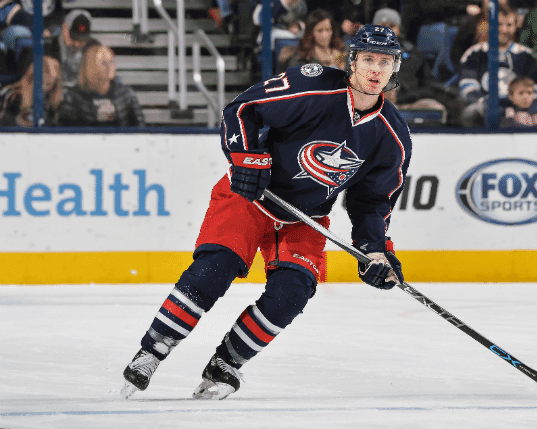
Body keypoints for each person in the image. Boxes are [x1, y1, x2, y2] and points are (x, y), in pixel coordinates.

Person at [120, 24, 412, 401]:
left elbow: (371, 201)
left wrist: (375, 250)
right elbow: (242, 110)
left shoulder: (393, 136)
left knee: (292, 292)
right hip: (251, 197)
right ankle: (152, 351)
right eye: (368, 59)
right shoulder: (313, 86)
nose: (375, 69)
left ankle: (225, 363)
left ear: (394, 68)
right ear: (352, 61)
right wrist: (247, 158)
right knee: (214, 269)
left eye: (385, 62)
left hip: (304, 218)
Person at [459, 6, 537, 127]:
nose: (504, 29)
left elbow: (536, 88)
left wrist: (518, 107)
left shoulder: (526, 55)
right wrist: (489, 103)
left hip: (519, 107)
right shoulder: (475, 52)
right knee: (471, 113)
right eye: (499, 24)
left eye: (509, 25)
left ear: (516, 26)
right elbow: (467, 86)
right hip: (486, 106)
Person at [57, 44, 145, 127]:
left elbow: (140, 128)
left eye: (111, 61)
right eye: (103, 63)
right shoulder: (73, 97)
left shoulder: (126, 94)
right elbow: (64, 131)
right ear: (90, 67)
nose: (109, 66)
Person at [0, 55, 62, 126]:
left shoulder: (56, 102)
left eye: (53, 73)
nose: (49, 77)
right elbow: (3, 122)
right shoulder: (11, 94)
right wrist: (22, 122)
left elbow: (56, 126)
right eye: (46, 71)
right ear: (33, 73)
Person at [278, 9, 348, 72]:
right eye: (319, 31)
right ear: (311, 33)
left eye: (328, 30)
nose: (324, 35)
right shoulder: (302, 58)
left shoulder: (344, 51)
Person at [56, 9, 99, 87]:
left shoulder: (94, 49)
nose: (76, 44)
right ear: (65, 30)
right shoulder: (53, 46)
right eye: (73, 38)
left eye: (82, 40)